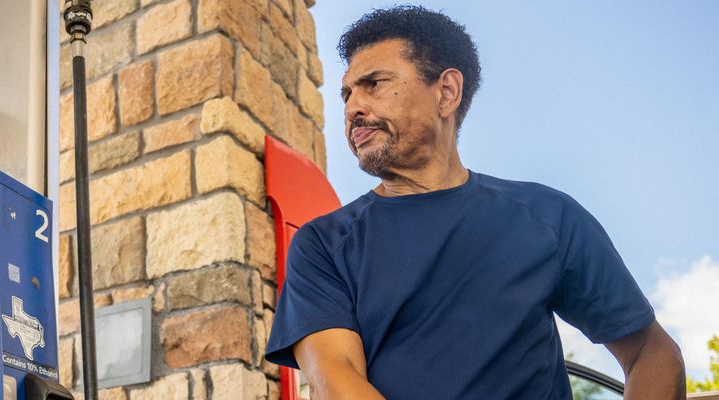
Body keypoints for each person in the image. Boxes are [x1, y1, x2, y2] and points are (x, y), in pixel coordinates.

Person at [264, 5, 684, 399]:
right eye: (346, 94)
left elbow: (652, 352)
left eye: (374, 84)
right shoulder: (323, 245)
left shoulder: (547, 217)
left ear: (446, 92)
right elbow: (334, 379)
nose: (353, 107)